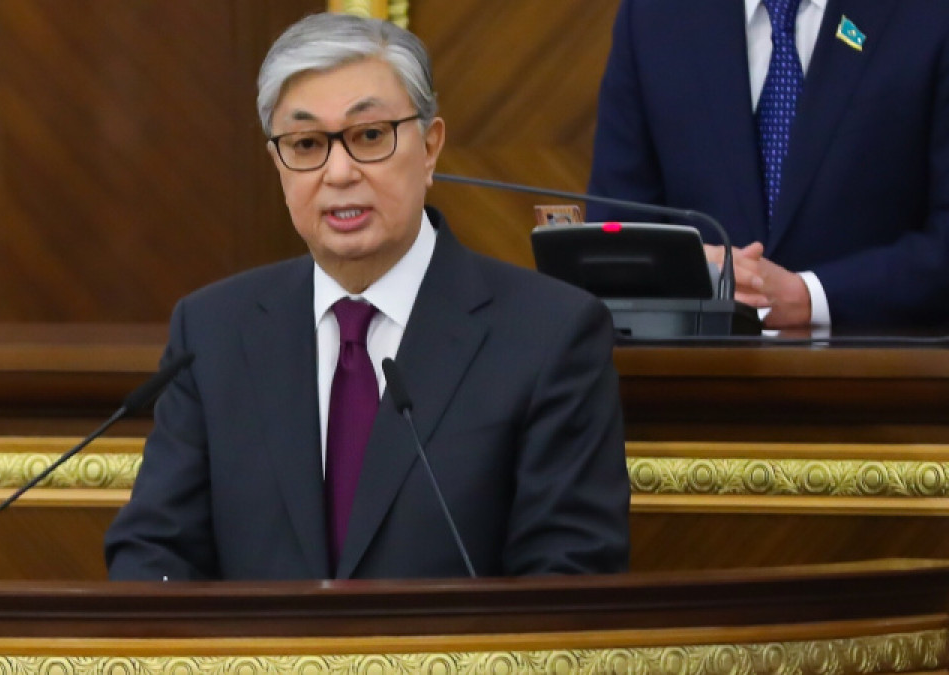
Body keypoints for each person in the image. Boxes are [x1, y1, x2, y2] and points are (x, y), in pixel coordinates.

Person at [105, 12, 629, 581]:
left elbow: (567, 575)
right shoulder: (212, 332)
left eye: (370, 136)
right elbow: (153, 550)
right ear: (278, 164)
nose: (338, 172)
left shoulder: (549, 335)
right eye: (307, 144)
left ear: (430, 147)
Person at [588, 0, 949, 328]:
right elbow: (615, 232)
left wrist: (812, 296)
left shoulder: (931, 15)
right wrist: (688, 268)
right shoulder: (655, 15)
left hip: (883, 365)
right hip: (688, 367)